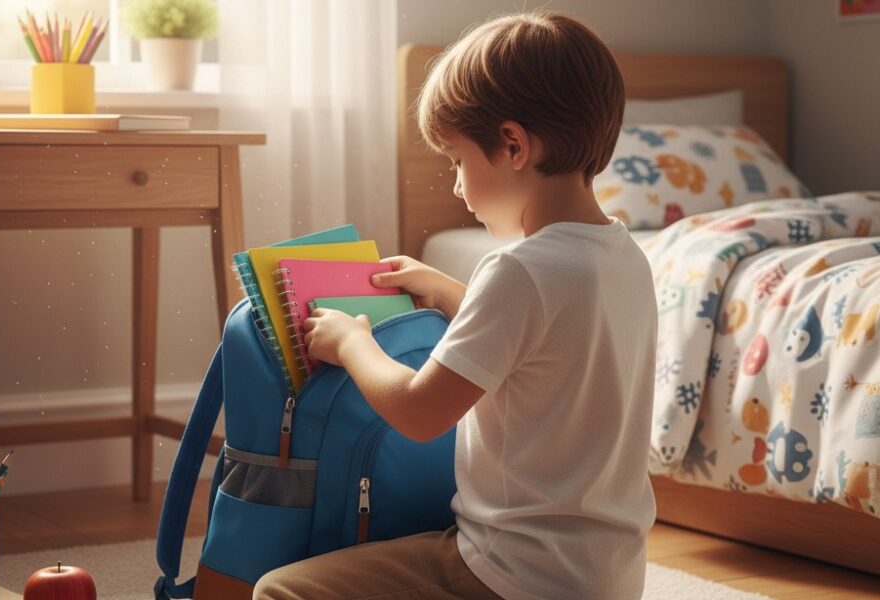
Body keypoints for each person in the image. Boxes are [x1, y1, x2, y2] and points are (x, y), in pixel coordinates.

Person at [254, 10, 657, 600]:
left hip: (510, 573)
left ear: (514, 145)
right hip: (606, 577)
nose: (457, 186)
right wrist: (450, 293)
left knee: (278, 591)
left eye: (458, 161)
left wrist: (352, 342)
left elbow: (421, 413)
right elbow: (548, 345)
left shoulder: (516, 270)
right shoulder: (625, 257)